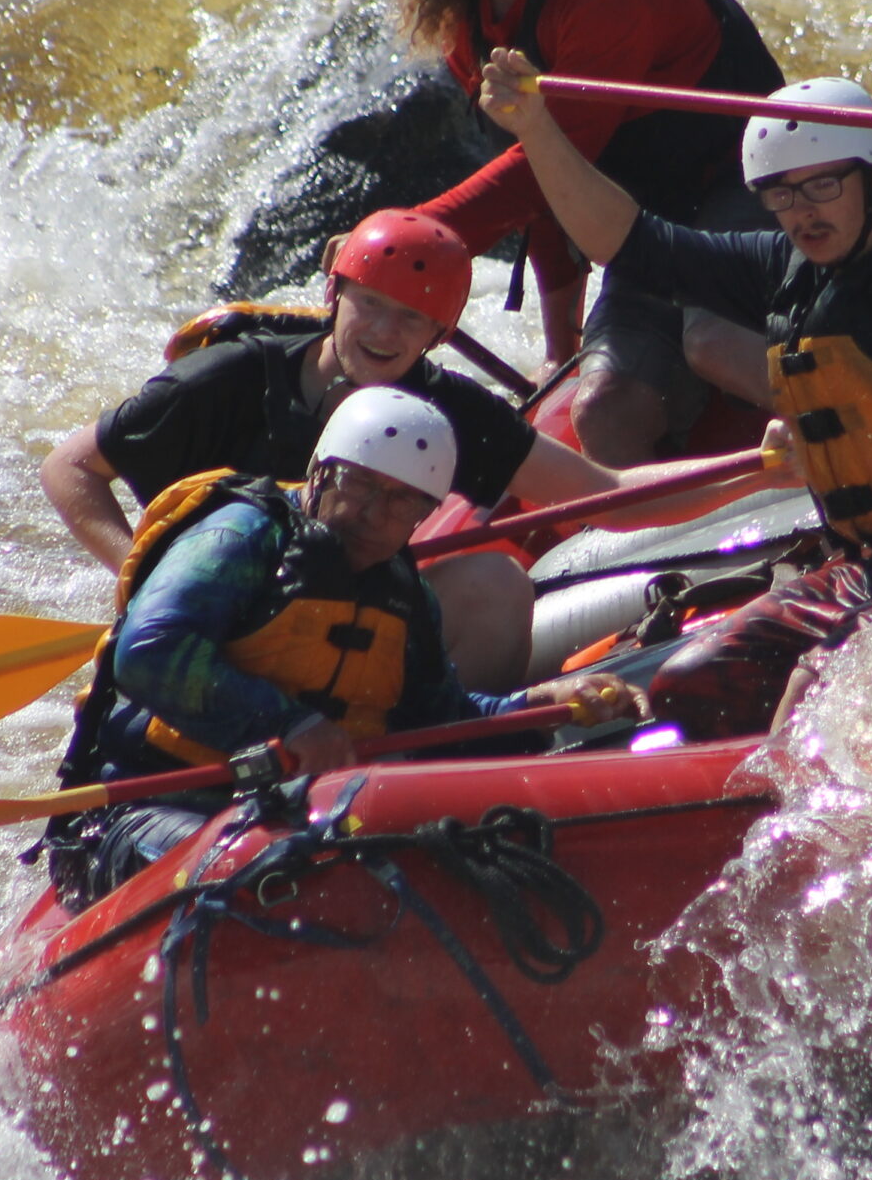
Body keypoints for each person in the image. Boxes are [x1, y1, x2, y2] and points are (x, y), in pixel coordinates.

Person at [477, 57, 872, 737]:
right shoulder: (783, 268)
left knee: (807, 695)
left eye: (823, 185)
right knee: (691, 684)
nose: (802, 211)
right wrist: (535, 128)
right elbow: (626, 241)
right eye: (781, 193)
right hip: (868, 566)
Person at [41, 207, 787, 692]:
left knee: (494, 578)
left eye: (414, 318)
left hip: (336, 618)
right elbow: (70, 467)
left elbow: (608, 490)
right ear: (335, 294)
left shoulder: (447, 407)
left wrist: (762, 466)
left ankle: (437, 746)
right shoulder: (230, 377)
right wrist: (141, 569)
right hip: (212, 610)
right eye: (371, 304)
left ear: (439, 333)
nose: (387, 333)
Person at [43, 387, 644, 907]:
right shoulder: (240, 537)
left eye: (400, 501)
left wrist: (542, 704)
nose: (372, 515)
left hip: (287, 809)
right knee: (278, 870)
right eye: (360, 485)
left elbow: (441, 722)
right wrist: (290, 724)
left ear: (424, 515)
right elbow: (150, 651)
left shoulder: (404, 594)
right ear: (323, 472)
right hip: (139, 809)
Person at [395, 0, 786, 464]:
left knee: (711, 343)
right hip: (648, 226)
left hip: (755, 192)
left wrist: (408, 238)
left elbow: (548, 167)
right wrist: (559, 348)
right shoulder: (466, 13)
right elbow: (557, 183)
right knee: (604, 412)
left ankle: (863, 434)